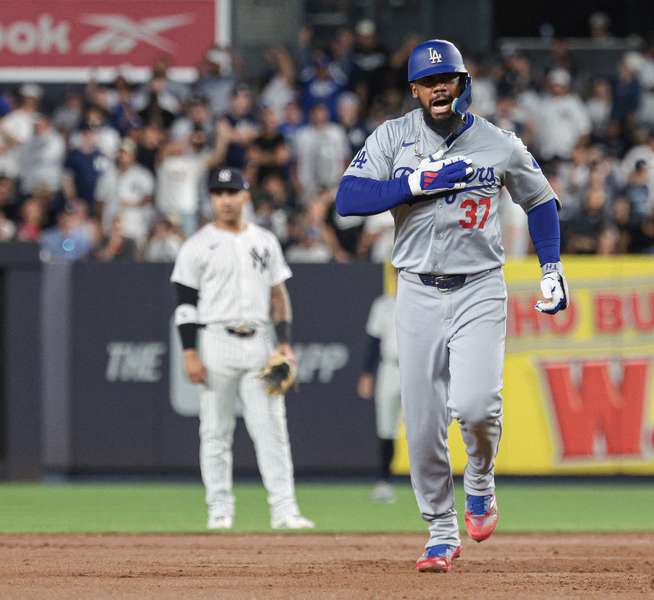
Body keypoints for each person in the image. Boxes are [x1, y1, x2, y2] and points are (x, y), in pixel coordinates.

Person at [335, 39, 568, 573]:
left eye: (450, 79)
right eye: (428, 82)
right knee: (420, 422)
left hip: (480, 285)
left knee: (477, 404)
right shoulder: (393, 137)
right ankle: (440, 530)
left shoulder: (498, 143)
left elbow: (541, 199)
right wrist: (411, 183)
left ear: (464, 84)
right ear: (415, 90)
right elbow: (347, 200)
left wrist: (551, 267)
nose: (440, 88)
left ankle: (481, 481)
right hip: (416, 286)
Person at [170, 167, 314, 531]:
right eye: (219, 193)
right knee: (215, 433)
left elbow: (278, 294)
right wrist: (189, 352)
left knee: (272, 431)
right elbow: (186, 304)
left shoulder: (264, 241)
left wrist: (283, 343)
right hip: (215, 340)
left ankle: (284, 511)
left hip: (260, 342)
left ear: (246, 196)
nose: (226, 199)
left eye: (232, 191)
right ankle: (219, 511)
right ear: (211, 199)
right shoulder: (196, 245)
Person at [357, 274, 401, 503]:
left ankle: (431, 483)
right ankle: (384, 481)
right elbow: (373, 341)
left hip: (418, 369)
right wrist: (367, 373)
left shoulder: (427, 301)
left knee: (425, 429)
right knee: (386, 429)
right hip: (390, 367)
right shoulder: (384, 305)